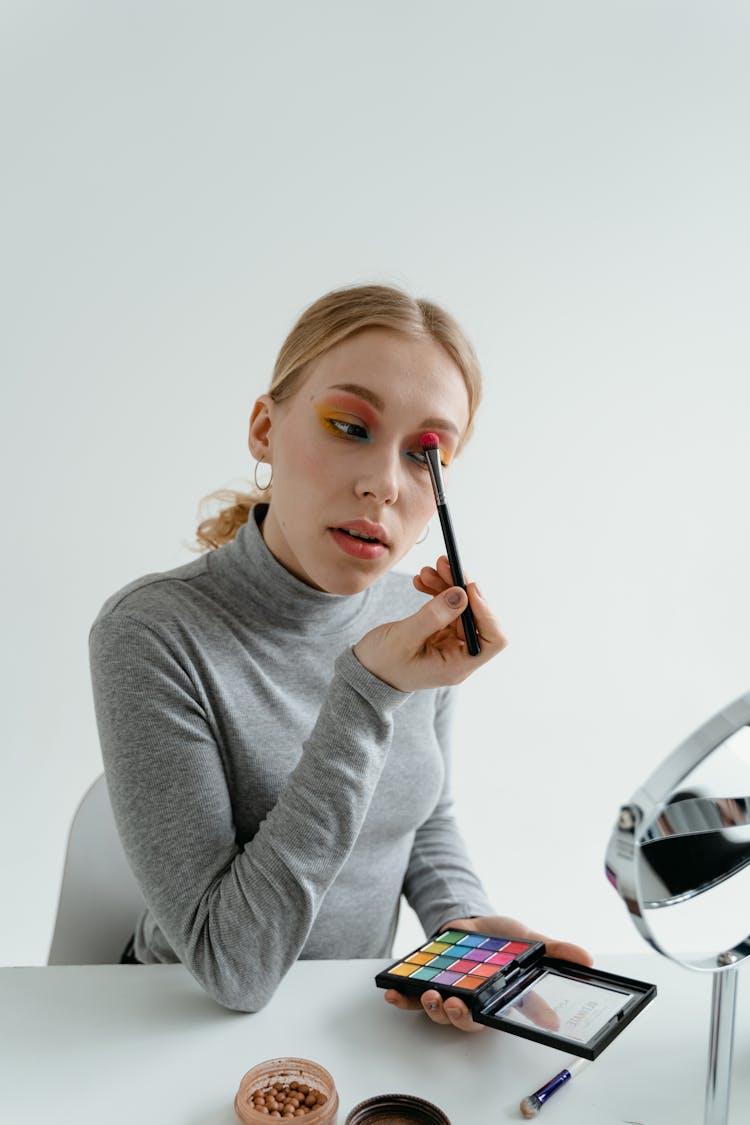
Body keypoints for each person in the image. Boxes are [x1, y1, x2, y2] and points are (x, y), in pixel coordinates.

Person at [89, 283, 590, 1029]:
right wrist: (367, 691)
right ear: (264, 428)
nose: (383, 483)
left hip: (350, 1017)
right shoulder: (153, 633)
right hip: (183, 1022)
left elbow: (422, 814)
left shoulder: (410, 615)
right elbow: (235, 966)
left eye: (427, 455)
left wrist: (461, 927)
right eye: (349, 427)